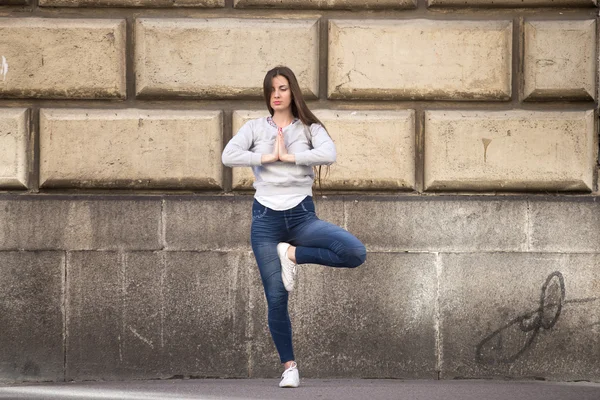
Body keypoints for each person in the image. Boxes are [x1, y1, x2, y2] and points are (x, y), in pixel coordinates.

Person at [221, 66, 367, 388]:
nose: (276, 94)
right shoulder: (256, 127)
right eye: (272, 89)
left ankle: (292, 255)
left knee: (355, 252)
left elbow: (329, 154)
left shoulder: (309, 128)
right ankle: (289, 366)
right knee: (276, 297)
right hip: (265, 220)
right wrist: (267, 157)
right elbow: (228, 156)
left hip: (302, 216)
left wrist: (289, 158)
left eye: (283, 88)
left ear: (292, 92)